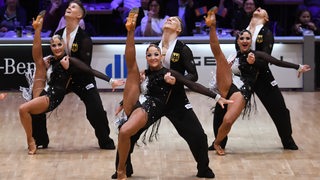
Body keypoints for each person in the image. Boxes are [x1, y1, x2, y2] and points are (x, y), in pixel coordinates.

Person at [116, 9, 233, 179]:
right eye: (168, 18)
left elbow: (193, 76)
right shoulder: (154, 47)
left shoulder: (183, 49)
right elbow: (141, 76)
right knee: (129, 132)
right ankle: (123, 168)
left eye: (174, 19)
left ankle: (203, 169)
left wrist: (176, 80)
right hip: (153, 99)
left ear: (179, 29)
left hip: (177, 100)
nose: (169, 19)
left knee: (198, 136)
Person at [205, 7, 311, 155]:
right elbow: (229, 53)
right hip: (240, 77)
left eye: (262, 10)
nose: (259, 8)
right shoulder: (244, 31)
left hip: (262, 76)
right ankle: (219, 142)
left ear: (266, 18)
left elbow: (268, 60)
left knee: (279, 109)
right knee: (221, 109)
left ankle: (287, 140)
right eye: (242, 38)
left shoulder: (266, 32)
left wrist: (297, 67)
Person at [19, 10, 124, 155]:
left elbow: (88, 69)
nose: (56, 47)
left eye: (59, 45)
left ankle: (104, 139)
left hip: (74, 83)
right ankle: (39, 140)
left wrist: (110, 80)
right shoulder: (53, 50)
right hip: (50, 88)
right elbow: (37, 55)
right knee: (38, 71)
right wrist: (37, 31)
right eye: (53, 45)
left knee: (95, 110)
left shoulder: (79, 45)